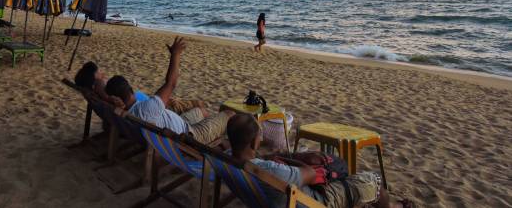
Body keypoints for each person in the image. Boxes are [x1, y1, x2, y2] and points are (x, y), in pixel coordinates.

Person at [226, 114, 411, 208]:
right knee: (374, 183)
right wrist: (298, 158)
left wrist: (287, 158)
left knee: (341, 172)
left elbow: (265, 161)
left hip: (272, 197)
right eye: (259, 136)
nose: (261, 139)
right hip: (318, 200)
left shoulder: (227, 157)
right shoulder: (268, 171)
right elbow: (311, 174)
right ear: (253, 142)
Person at [105, 36, 235, 144]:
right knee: (230, 114)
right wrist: (175, 54)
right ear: (131, 89)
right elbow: (171, 83)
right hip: (189, 136)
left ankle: (214, 128)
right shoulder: (146, 109)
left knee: (201, 111)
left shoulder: (124, 114)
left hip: (181, 124)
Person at [74, 61, 204, 115]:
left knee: (185, 103)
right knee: (197, 105)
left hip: (148, 103)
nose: (102, 74)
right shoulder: (104, 91)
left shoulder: (97, 95)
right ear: (94, 80)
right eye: (99, 73)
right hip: (155, 108)